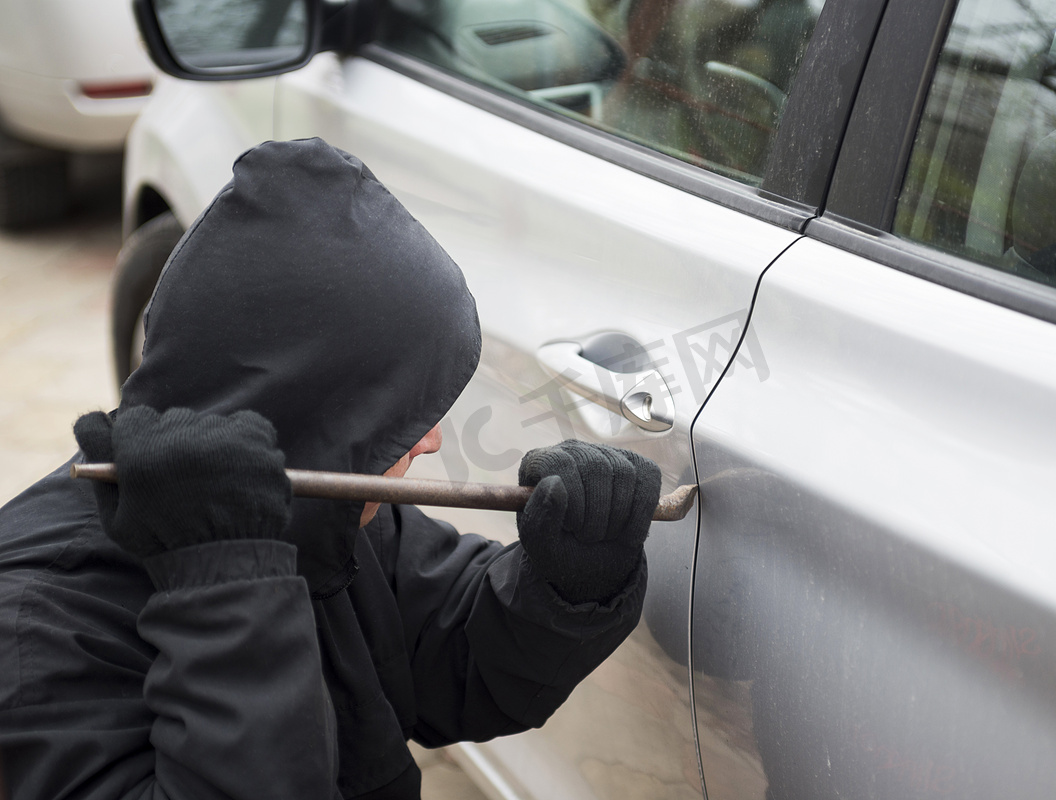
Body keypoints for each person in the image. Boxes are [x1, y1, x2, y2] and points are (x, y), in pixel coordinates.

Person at [0, 138, 660, 799]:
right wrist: (226, 597)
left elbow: (451, 655)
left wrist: (569, 581)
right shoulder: (35, 639)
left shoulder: (315, 520)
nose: (430, 440)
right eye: (397, 416)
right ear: (310, 413)